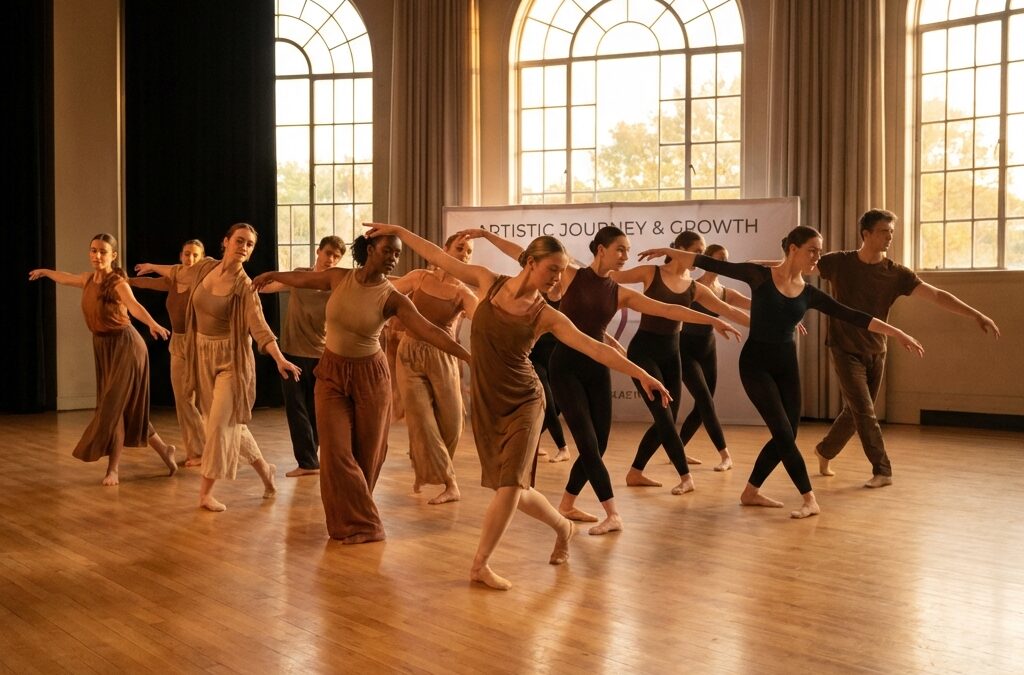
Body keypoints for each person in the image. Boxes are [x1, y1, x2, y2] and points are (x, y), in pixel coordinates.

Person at [365, 223, 672, 591]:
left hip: (526, 399)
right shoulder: (487, 281)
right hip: (489, 399)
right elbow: (436, 254)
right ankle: (564, 527)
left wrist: (642, 375)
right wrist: (399, 229)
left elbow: (595, 347)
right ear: (529, 262)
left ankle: (480, 564)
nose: (558, 279)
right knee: (514, 491)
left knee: (509, 485)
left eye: (562, 271)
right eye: (552, 269)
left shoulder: (546, 314)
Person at [458, 227, 741, 536]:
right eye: (620, 249)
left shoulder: (618, 292)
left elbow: (668, 308)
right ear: (601, 249)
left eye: (628, 250)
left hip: (597, 368)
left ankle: (567, 504)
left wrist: (711, 318)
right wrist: (487, 235)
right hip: (566, 367)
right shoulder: (570, 274)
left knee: (600, 444)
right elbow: (519, 252)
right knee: (588, 444)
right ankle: (612, 512)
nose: (625, 256)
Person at [640, 226, 924, 518]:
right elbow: (711, 263)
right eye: (812, 250)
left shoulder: (809, 293)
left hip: (787, 366)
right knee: (784, 434)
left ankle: (751, 491)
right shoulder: (759, 276)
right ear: (793, 249)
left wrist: (897, 332)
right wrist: (668, 252)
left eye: (820, 250)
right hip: (755, 365)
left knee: (787, 432)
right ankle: (808, 498)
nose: (817, 256)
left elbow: (854, 316)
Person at [253, 234, 470, 544]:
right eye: (388, 251)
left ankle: (356, 524)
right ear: (369, 251)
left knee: (367, 456)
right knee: (335, 452)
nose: (394, 258)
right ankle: (365, 524)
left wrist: (469, 357)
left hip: (371, 376)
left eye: (397, 254)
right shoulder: (339, 277)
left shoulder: (393, 297)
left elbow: (429, 330)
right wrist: (273, 275)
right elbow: (303, 278)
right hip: (331, 373)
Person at [812, 209, 1000, 487]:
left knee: (855, 411)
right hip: (843, 347)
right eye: (884, 231)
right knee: (865, 411)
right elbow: (795, 268)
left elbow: (936, 295)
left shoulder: (895, 273)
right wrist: (749, 269)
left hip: (877, 350)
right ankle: (882, 470)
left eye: (892, 232)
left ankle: (825, 450)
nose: (890, 237)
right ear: (866, 234)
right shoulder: (838, 263)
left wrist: (976, 314)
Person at [137, 223, 302, 512]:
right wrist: (149, 267)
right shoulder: (204, 269)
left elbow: (260, 327)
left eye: (249, 244)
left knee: (217, 425)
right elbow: (177, 272)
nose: (244, 247)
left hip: (231, 361)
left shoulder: (244, 286)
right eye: (239, 241)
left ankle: (205, 493)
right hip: (201, 353)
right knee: (231, 424)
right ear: (225, 242)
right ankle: (266, 472)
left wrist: (279, 358)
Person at [29, 233, 177, 485]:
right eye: (93, 251)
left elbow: (133, 305)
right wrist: (46, 272)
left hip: (126, 346)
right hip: (103, 347)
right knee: (125, 408)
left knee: (113, 408)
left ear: (113, 256)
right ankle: (165, 450)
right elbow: (67, 278)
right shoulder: (88, 279)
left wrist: (152, 324)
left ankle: (113, 469)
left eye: (102, 252)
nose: (97, 256)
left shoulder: (117, 282)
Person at [609, 231, 749, 487]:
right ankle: (686, 477)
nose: (700, 257)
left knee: (669, 419)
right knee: (664, 417)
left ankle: (635, 472)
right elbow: (611, 277)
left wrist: (771, 326)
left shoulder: (696, 287)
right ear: (679, 249)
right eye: (696, 251)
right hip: (643, 352)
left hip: (672, 354)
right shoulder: (650, 273)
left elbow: (727, 309)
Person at [389, 234, 478, 505]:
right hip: (409, 353)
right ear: (444, 251)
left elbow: (485, 321)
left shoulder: (463, 293)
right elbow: (387, 293)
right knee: (420, 419)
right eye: (459, 248)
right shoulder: (419, 277)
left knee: (452, 424)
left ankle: (428, 467)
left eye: (469, 251)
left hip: (443, 356)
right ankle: (450, 483)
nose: (464, 254)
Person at [256, 236, 346, 478]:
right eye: (328, 253)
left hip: (322, 356)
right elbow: (271, 286)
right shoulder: (299, 276)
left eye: (337, 257)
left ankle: (310, 459)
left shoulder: (335, 284)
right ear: (318, 252)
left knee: (317, 410)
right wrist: (249, 288)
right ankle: (307, 462)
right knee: (296, 409)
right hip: (292, 354)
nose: (331, 259)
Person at [129, 239, 207, 467]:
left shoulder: (204, 279)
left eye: (195, 255)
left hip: (200, 343)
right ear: (180, 256)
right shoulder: (173, 280)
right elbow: (149, 283)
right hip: (178, 343)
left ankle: (209, 451)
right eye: (186, 254)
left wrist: (152, 264)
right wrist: (125, 281)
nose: (190, 259)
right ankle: (196, 451)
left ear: (202, 258)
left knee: (203, 400)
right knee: (183, 400)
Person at [678, 242, 754, 472]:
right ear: (708, 260)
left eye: (726, 259)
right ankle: (725, 455)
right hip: (684, 348)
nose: (724, 264)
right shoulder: (692, 287)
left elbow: (753, 306)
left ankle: (677, 449)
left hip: (707, 348)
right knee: (705, 400)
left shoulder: (724, 292)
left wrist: (785, 318)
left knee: (703, 405)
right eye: (719, 259)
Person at [530, 285, 571, 463]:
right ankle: (563, 448)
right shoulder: (535, 297)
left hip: (558, 359)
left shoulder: (569, 299)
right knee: (547, 403)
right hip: (536, 358)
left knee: (558, 405)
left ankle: (532, 442)